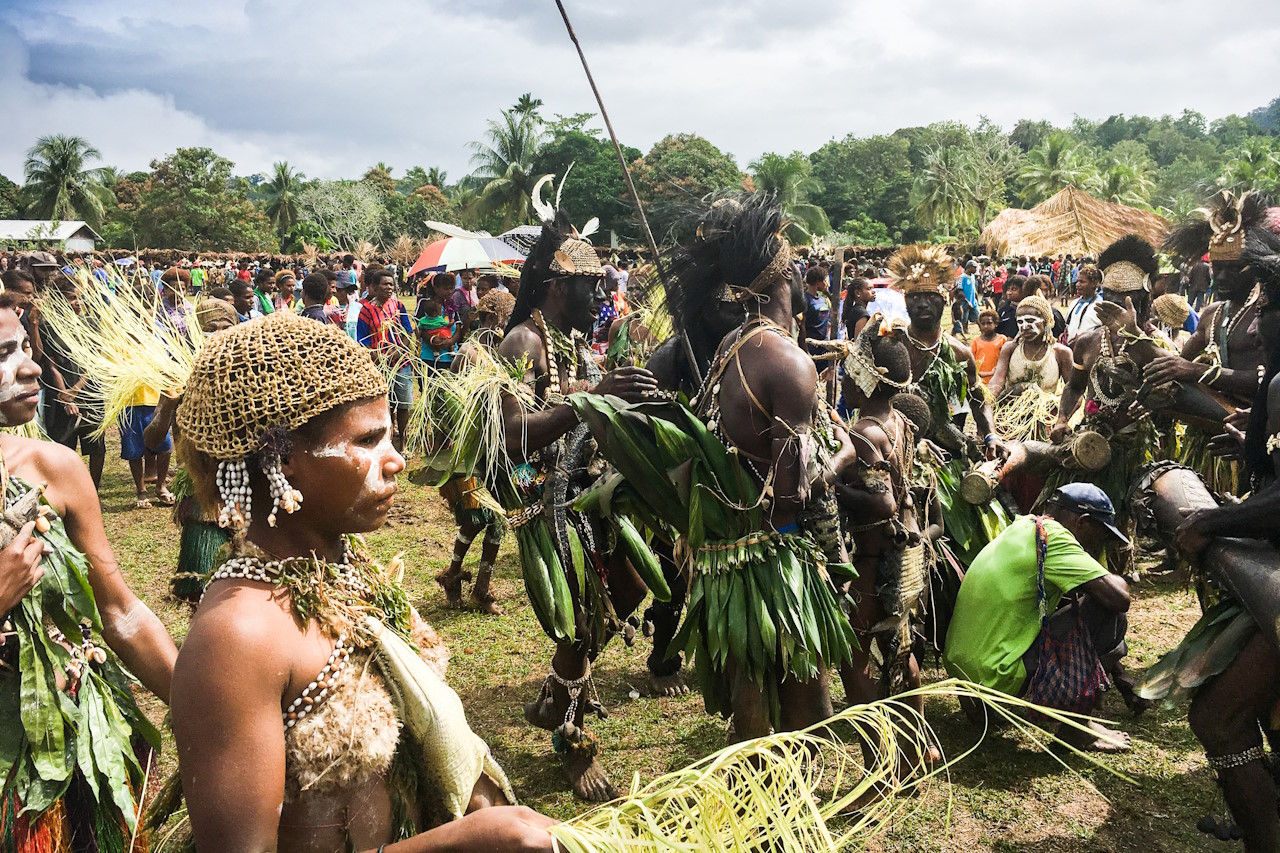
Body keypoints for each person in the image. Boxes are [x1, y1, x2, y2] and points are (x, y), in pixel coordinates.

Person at [166, 310, 553, 851]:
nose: (395, 461)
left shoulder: (349, 569)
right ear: (282, 461)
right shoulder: (239, 636)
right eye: (368, 440)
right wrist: (460, 844)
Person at [493, 202, 659, 801]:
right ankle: (572, 739)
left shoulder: (560, 339)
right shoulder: (522, 341)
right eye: (592, 288)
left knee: (627, 590)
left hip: (588, 495)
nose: (601, 299)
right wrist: (592, 398)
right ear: (560, 287)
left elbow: (574, 404)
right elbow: (513, 436)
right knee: (583, 621)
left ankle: (555, 697)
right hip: (547, 506)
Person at [0, 291, 178, 845]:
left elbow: (117, 609)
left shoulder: (53, 467)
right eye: (4, 352)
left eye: (25, 344)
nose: (30, 365)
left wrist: (206, 703)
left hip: (66, 740)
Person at [944, 483, 1132, 751]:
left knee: (1076, 600)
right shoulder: (1055, 538)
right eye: (1100, 536)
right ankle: (1076, 729)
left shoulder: (1024, 525)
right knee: (1109, 614)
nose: (1099, 544)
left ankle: (982, 707)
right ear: (1083, 523)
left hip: (964, 668)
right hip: (997, 672)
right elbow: (1119, 599)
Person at [40, 275, 108, 488]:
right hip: (60, 395)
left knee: (96, 447)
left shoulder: (92, 324)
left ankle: (93, 491)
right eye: (71, 298)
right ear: (58, 300)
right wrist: (65, 396)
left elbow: (94, 362)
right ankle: (67, 491)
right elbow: (51, 364)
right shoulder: (48, 327)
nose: (77, 303)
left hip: (91, 393)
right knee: (63, 444)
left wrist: (75, 390)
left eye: (79, 298)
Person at [357, 266, 415, 451]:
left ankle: (404, 443)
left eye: (391, 284)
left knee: (404, 404)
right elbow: (362, 340)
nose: (389, 288)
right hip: (380, 365)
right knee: (386, 405)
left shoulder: (398, 307)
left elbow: (408, 332)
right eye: (384, 284)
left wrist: (399, 350)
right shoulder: (366, 311)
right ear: (374, 287)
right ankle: (387, 442)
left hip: (401, 363)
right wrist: (377, 355)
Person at [988, 295, 1073, 400]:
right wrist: (989, 399)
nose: (1025, 327)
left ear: (1045, 321)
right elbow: (997, 380)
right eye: (1020, 322)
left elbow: (1073, 391)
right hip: (1011, 412)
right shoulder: (1010, 349)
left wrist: (1054, 404)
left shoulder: (1060, 352)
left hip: (1048, 413)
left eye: (1030, 321)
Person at [1064, 264, 1104, 345]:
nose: (1077, 285)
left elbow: (1104, 330)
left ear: (1094, 284)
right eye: (1077, 281)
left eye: (1082, 282)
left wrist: (1084, 337)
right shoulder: (1074, 303)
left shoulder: (1100, 306)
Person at [970, 308, 1007, 385]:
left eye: (989, 323)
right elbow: (971, 361)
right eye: (983, 324)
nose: (986, 326)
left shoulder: (1002, 339)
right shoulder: (976, 342)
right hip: (980, 380)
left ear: (996, 324)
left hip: (997, 380)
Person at [802, 265, 831, 354]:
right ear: (818, 283)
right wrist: (806, 350)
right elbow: (802, 326)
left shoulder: (822, 299)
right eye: (825, 281)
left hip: (824, 343)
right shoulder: (805, 300)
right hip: (811, 346)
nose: (827, 284)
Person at [996, 274, 1025, 339]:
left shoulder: (1027, 310)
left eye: (1014, 289)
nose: (1009, 292)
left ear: (1024, 290)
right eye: (1008, 289)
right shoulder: (1004, 309)